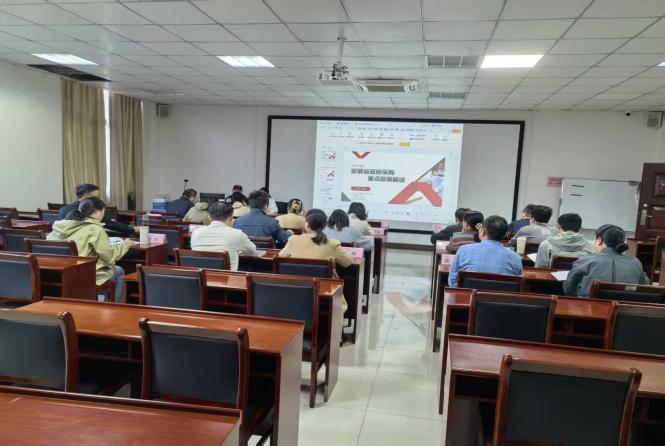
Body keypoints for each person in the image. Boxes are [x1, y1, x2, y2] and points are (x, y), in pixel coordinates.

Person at [49, 197, 132, 302]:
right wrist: (125, 245)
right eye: (103, 211)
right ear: (96, 212)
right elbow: (109, 256)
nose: (103, 215)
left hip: (60, 274)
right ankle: (113, 307)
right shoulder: (95, 229)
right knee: (119, 271)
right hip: (84, 275)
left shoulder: (62, 226)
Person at [564, 225, 648, 297]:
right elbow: (643, 286)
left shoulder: (586, 260)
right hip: (624, 309)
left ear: (599, 240)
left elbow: (569, 289)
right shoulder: (635, 262)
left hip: (589, 307)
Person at [448, 215, 523, 287]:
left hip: (469, 295)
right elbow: (519, 284)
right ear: (504, 235)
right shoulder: (515, 257)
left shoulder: (464, 250)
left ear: (483, 232)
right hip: (502, 296)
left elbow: (452, 281)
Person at [190, 202, 258, 271]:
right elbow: (252, 251)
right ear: (231, 218)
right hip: (227, 277)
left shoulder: (196, 233)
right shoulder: (237, 234)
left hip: (201, 276)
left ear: (209, 218)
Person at [58, 183, 135, 236]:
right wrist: (133, 229)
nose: (97, 200)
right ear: (86, 196)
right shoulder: (92, 210)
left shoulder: (63, 209)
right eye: (96, 197)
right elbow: (111, 224)